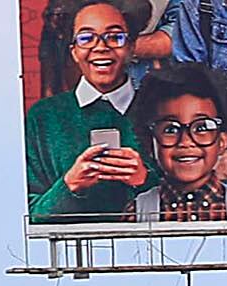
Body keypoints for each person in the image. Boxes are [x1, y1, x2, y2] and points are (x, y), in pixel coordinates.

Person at [27, 0, 150, 223]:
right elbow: (29, 215)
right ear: (73, 52)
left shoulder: (158, 109)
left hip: (151, 243)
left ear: (131, 47)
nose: (101, 47)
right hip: (70, 245)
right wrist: (70, 184)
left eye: (115, 37)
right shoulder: (43, 117)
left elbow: (188, 202)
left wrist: (144, 180)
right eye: (86, 38)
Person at [126, 65, 227, 223]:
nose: (185, 142)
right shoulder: (138, 212)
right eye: (170, 129)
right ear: (151, 142)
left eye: (202, 128)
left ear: (222, 141)